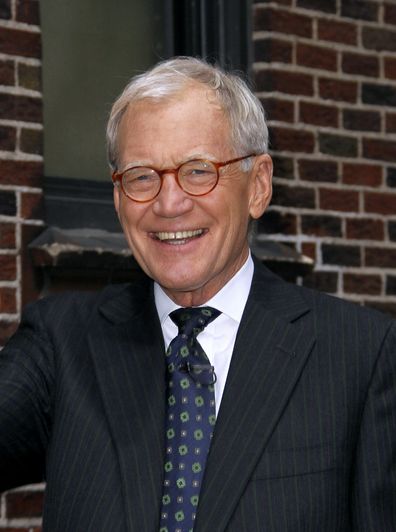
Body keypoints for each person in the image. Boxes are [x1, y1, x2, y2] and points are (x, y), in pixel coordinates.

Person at [0, 57, 395, 532]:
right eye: (142, 176)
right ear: (118, 198)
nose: (169, 204)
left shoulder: (361, 356)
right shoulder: (60, 344)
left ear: (258, 186)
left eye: (198, 170)